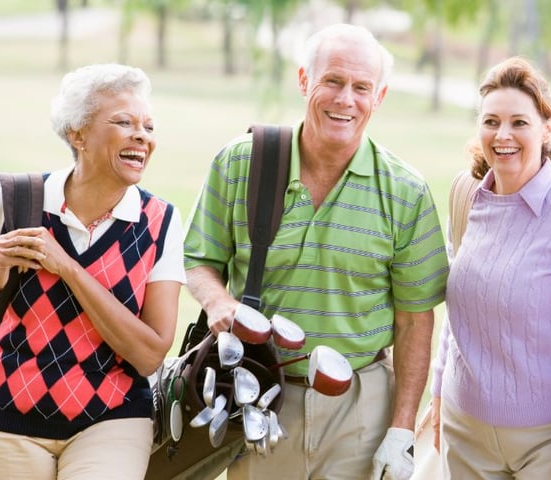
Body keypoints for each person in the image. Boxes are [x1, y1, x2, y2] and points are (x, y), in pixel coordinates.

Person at [182, 23, 449, 480]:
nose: (346, 99)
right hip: (260, 398)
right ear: (305, 80)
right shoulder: (240, 162)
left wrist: (401, 431)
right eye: (333, 81)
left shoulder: (406, 191)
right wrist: (218, 301)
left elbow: (414, 322)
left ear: (379, 97)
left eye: (362, 87)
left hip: (361, 410)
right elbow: (200, 261)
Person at [0, 63, 185, 479]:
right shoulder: (16, 199)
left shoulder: (159, 222)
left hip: (112, 419)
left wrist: (67, 268)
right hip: (3, 417)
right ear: (78, 134)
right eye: (124, 122)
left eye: (149, 126)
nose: (142, 135)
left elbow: (149, 353)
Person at [429, 56, 551, 480]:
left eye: (519, 122)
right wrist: (439, 392)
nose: (503, 135)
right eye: (491, 121)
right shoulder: (466, 199)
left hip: (550, 440)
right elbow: (461, 313)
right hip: (465, 431)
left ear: (547, 128)